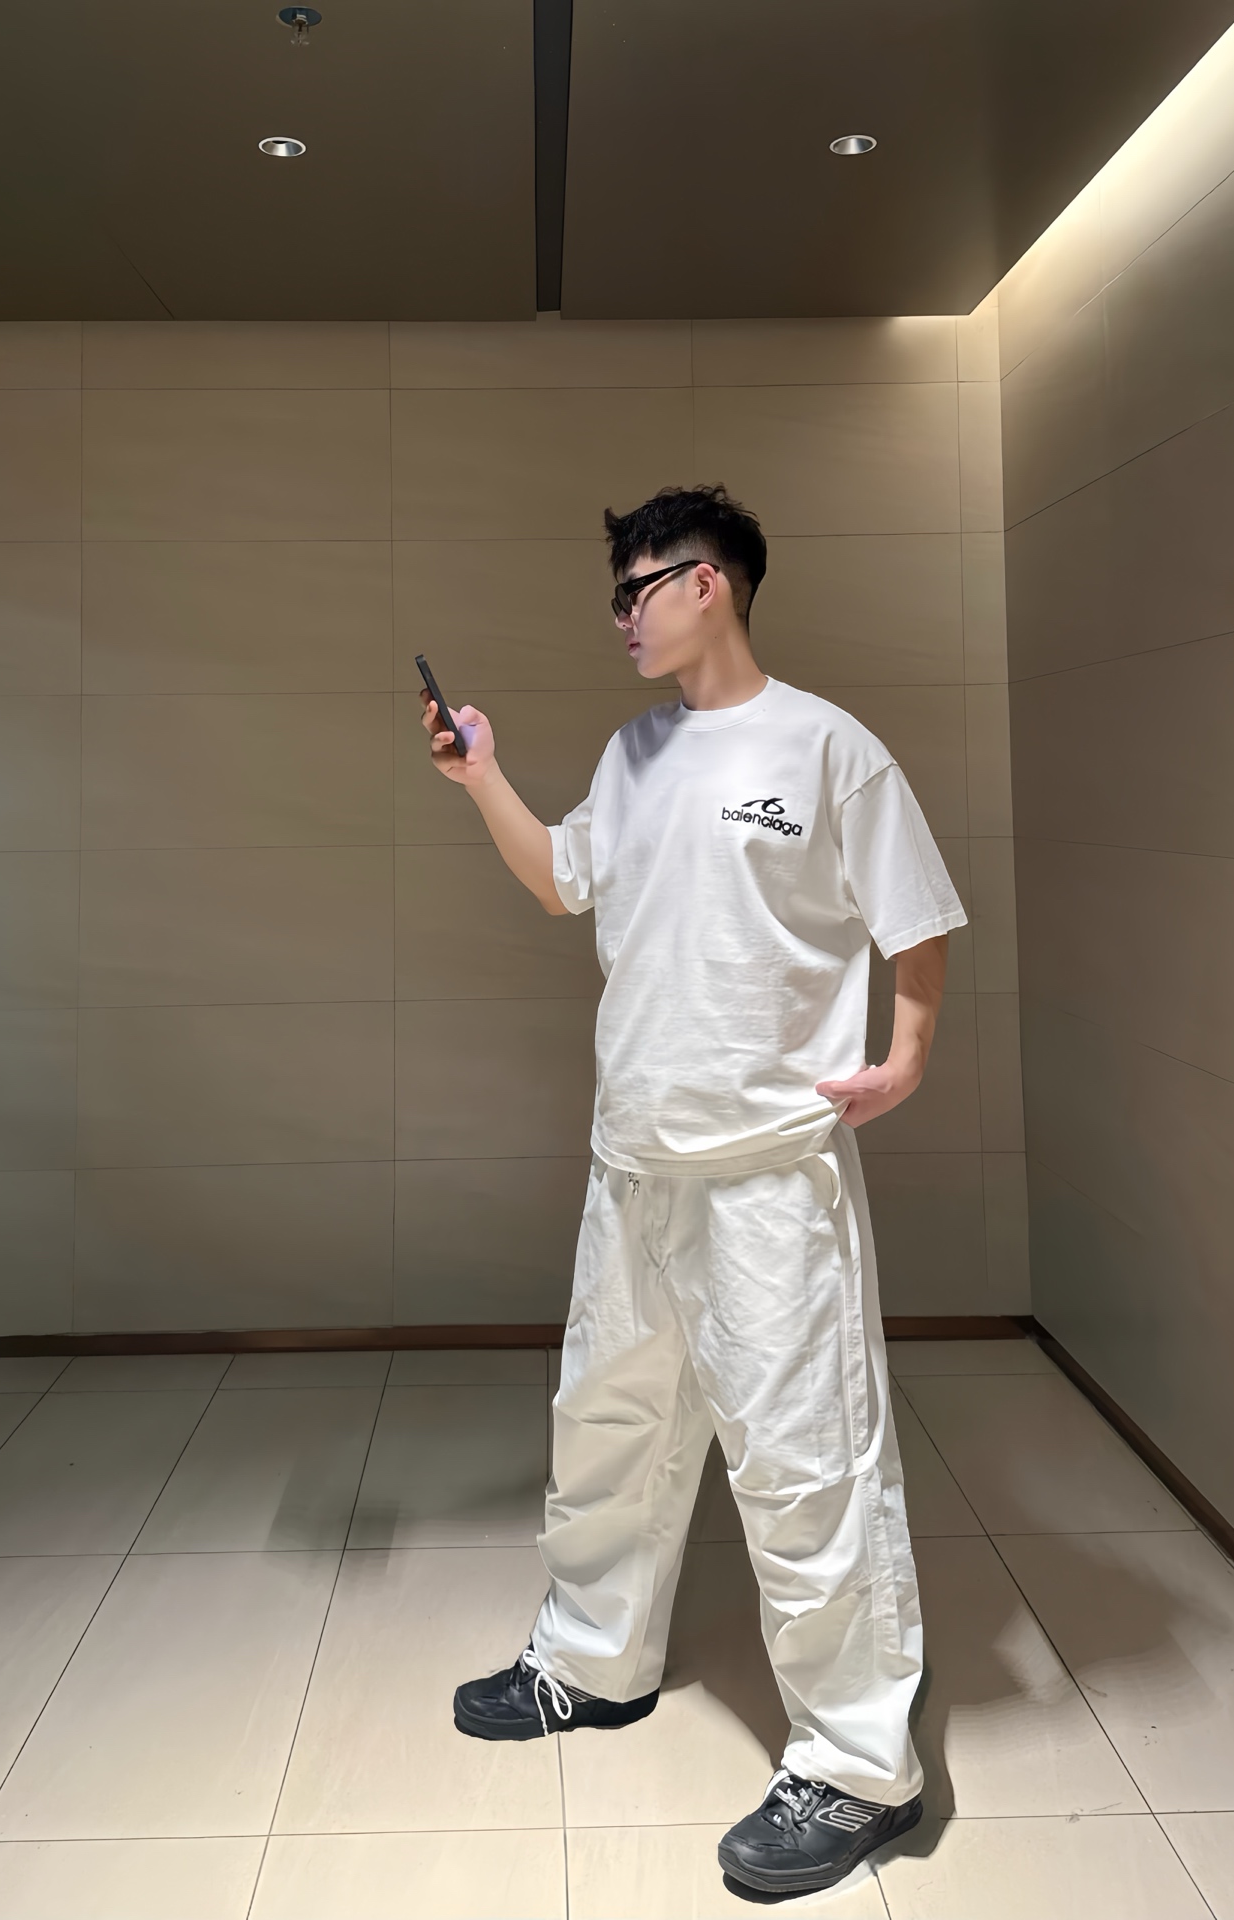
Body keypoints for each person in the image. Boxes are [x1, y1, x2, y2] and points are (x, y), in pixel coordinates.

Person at [418, 483, 965, 1897]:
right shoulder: (635, 753)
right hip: (635, 1167)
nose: (621, 616)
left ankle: (861, 1768)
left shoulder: (828, 748)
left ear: (708, 582)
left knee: (805, 1465)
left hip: (772, 1176)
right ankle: (592, 1663)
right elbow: (562, 884)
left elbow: (916, 917)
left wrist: (905, 1056)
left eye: (636, 588)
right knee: (610, 1428)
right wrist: (483, 776)